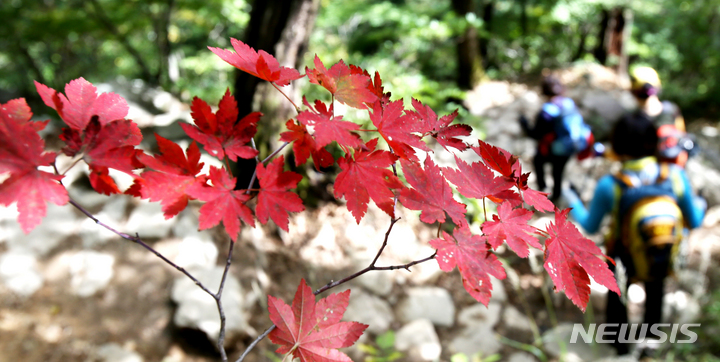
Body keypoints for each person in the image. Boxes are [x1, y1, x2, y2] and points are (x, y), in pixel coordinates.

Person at [562, 114, 705, 355]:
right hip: (660, 245)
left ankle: (619, 347)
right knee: (655, 290)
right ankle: (650, 345)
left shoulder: (610, 185)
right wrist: (700, 202)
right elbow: (695, 220)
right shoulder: (675, 175)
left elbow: (590, 225)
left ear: (616, 146)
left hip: (622, 252)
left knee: (617, 294)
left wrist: (571, 198)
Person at [520, 75, 588, 201]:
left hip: (556, 148)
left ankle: (542, 189)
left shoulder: (547, 112)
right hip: (571, 146)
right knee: (558, 172)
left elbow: (535, 134)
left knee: (538, 161)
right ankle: (556, 195)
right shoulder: (569, 103)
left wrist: (524, 123)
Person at [627, 66, 696, 167]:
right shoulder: (671, 108)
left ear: (634, 92)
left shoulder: (632, 119)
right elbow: (682, 132)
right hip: (673, 169)